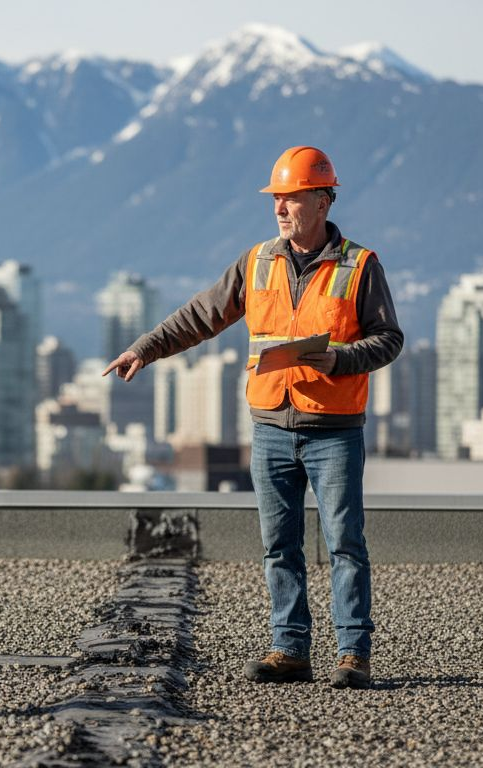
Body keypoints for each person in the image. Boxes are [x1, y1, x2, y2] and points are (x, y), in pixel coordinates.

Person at [103, 146, 403, 689]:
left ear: (322, 198)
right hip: (270, 427)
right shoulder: (256, 261)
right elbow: (201, 314)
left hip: (333, 430)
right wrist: (144, 349)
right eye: (276, 199)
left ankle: (352, 653)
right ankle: (290, 649)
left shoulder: (360, 265)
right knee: (278, 544)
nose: (279, 208)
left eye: (289, 198)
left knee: (345, 543)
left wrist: (340, 359)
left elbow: (388, 340)